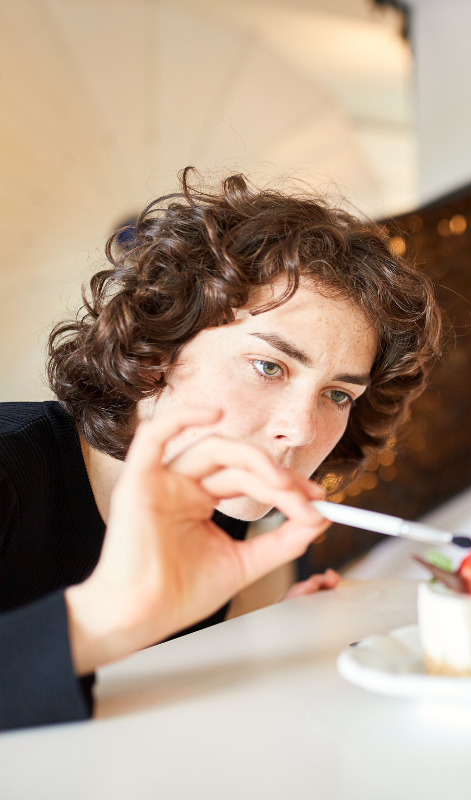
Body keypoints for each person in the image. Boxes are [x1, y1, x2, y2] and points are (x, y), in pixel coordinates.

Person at [0, 170, 442, 731]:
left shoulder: (251, 521)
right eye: (268, 366)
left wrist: (274, 632)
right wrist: (100, 621)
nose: (302, 430)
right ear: (158, 346)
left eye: (337, 394)